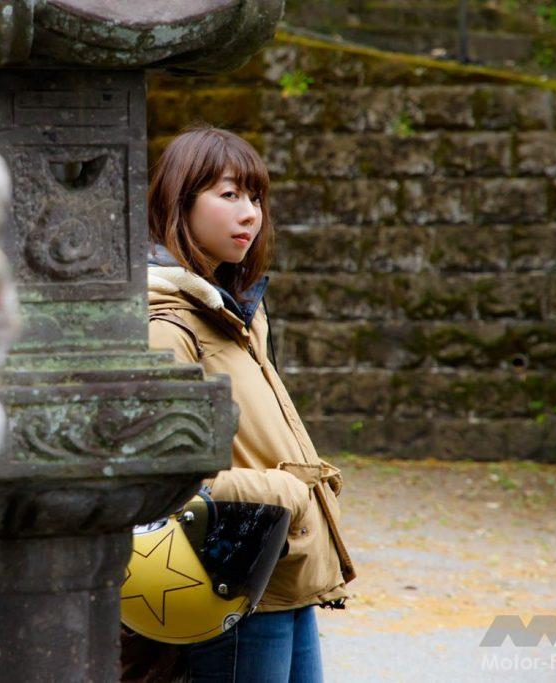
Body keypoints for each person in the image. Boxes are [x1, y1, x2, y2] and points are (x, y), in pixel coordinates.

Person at [145, 125, 355, 682]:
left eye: (256, 197)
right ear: (178, 201)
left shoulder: (237, 309)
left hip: (281, 568)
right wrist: (285, 491)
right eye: (229, 194)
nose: (250, 214)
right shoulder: (166, 324)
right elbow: (162, 480)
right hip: (227, 573)